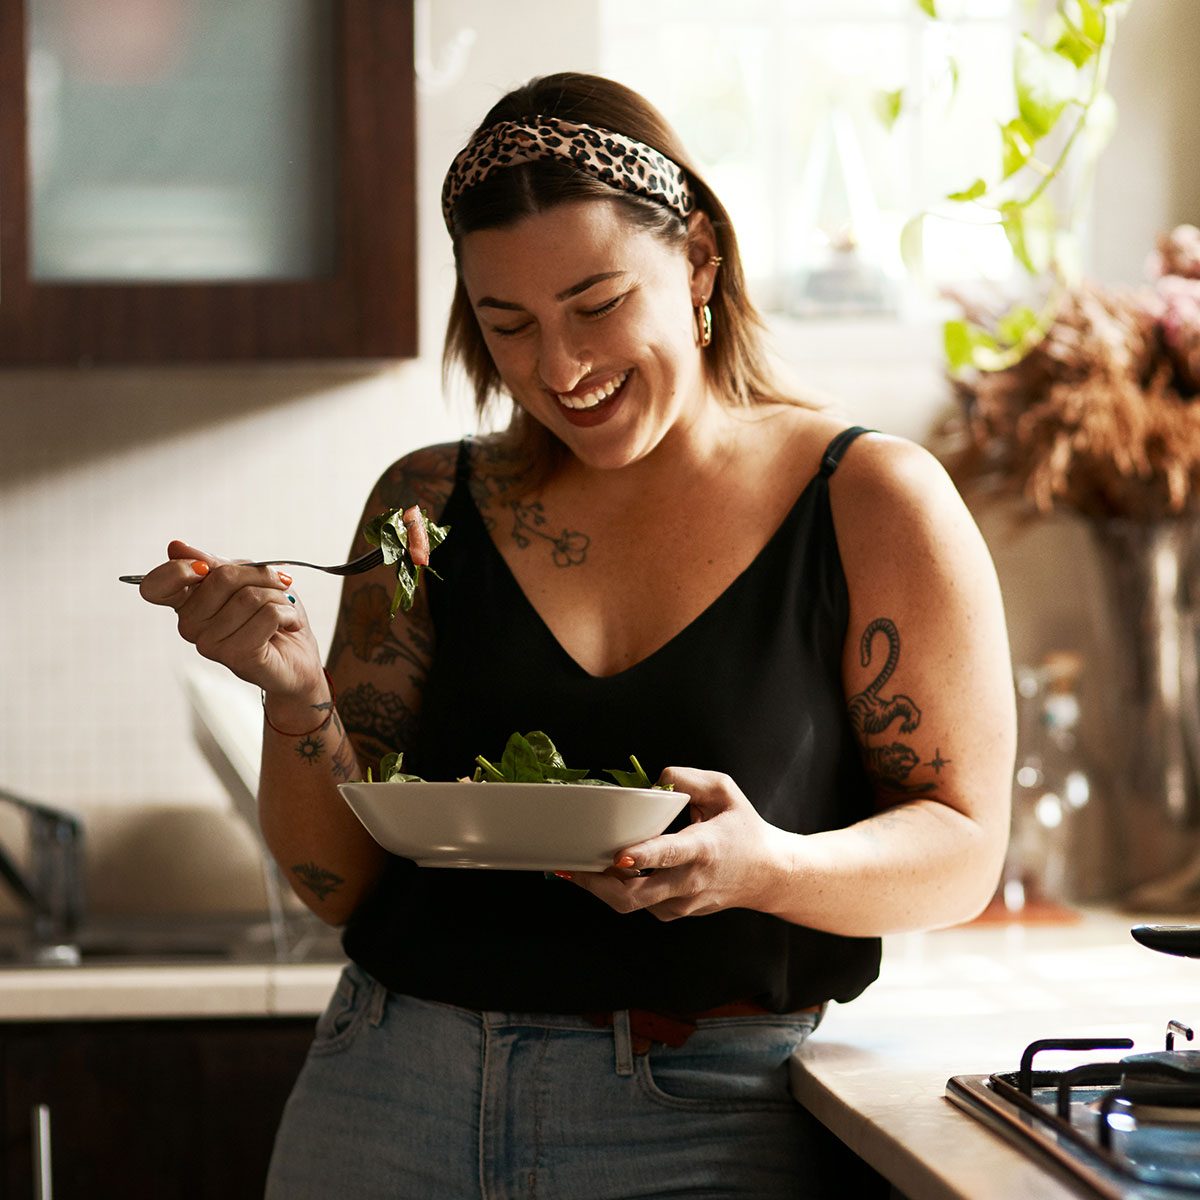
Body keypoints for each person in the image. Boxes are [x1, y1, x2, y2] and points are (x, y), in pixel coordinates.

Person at [137, 72, 1015, 1199]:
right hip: (384, 1092)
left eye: (598, 305)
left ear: (698, 258)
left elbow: (962, 850)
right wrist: (291, 692)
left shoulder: (869, 499)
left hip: (708, 1114)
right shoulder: (428, 504)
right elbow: (338, 885)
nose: (561, 370)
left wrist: (764, 870)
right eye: (510, 327)